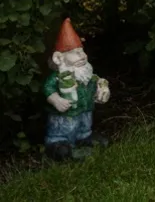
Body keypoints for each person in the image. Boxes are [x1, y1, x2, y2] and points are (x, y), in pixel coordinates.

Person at [44, 18, 111, 160]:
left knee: (85, 127)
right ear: (59, 58)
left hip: (85, 113)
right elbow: (48, 88)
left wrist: (102, 88)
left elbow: (97, 82)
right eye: (75, 53)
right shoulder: (58, 76)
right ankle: (58, 144)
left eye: (82, 51)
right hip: (64, 118)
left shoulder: (86, 74)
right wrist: (56, 99)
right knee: (62, 135)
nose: (82, 56)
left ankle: (83, 138)